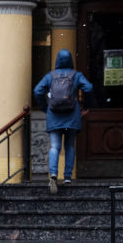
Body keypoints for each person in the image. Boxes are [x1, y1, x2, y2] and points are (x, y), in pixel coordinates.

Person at [33, 49, 94, 194]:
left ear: (58, 60)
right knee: (70, 146)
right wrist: (85, 105)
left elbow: (37, 91)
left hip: (54, 115)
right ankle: (67, 176)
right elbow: (89, 88)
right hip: (72, 115)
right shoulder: (76, 75)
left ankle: (53, 174)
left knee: (54, 146)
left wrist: (45, 107)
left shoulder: (50, 76)